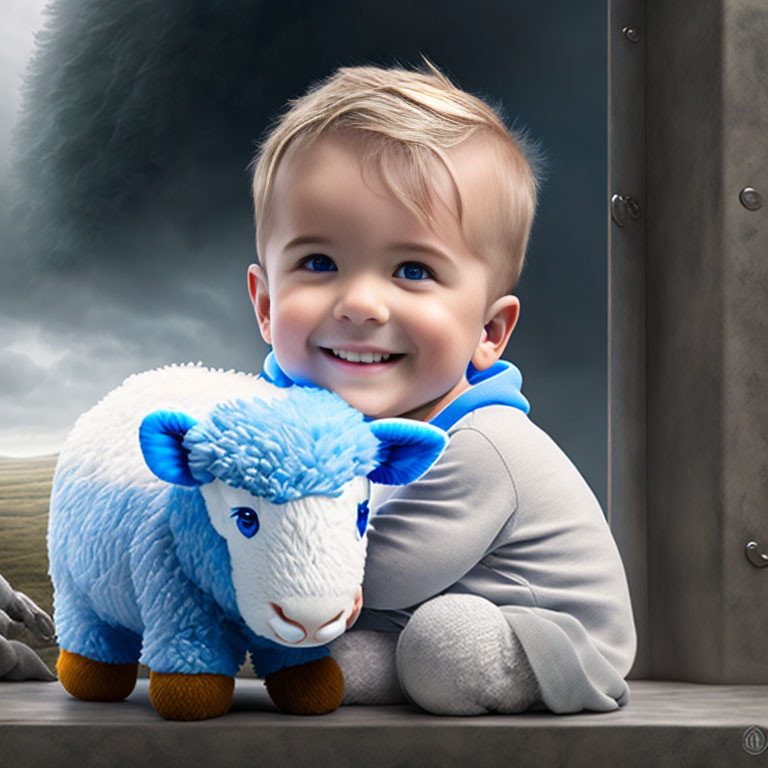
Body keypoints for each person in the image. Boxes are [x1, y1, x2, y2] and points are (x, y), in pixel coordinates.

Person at [246, 55, 636, 715]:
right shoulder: (302, 428)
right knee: (338, 666)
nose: (361, 304)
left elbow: (383, 572)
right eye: (319, 262)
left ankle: (485, 674)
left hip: (542, 633)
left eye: (412, 270)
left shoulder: (482, 444)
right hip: (407, 615)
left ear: (489, 330)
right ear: (265, 305)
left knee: (444, 644)